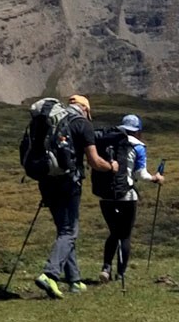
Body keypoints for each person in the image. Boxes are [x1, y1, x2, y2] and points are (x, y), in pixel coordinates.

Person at [34, 95, 118, 299]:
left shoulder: (51, 122)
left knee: (63, 230)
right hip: (68, 182)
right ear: (86, 109)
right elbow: (95, 161)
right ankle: (50, 274)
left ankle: (74, 281)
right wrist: (111, 167)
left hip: (46, 180)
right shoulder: (82, 124)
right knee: (70, 231)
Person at [97, 114, 166, 285]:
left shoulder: (108, 142)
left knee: (113, 232)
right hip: (127, 196)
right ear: (138, 131)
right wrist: (155, 178)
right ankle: (121, 274)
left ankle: (106, 267)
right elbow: (140, 175)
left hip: (106, 196)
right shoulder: (139, 147)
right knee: (125, 235)